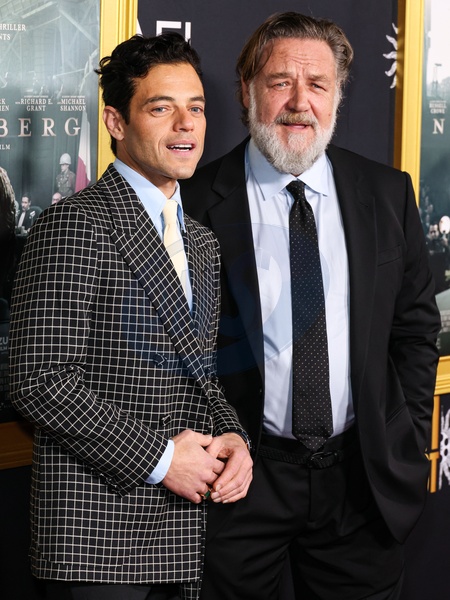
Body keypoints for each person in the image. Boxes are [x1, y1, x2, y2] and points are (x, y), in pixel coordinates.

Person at [181, 12, 441, 600]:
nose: (300, 102)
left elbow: (414, 329)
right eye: (280, 82)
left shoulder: (387, 192)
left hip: (360, 483)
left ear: (338, 95)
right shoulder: (192, 202)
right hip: (239, 485)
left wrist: (403, 438)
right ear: (247, 90)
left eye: (318, 84)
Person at [9, 32, 252, 600]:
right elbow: (38, 380)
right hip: (97, 540)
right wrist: (162, 460)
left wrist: (235, 438)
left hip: (179, 535)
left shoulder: (201, 242)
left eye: (197, 108)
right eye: (161, 108)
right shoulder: (75, 224)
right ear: (116, 122)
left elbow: (201, 375)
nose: (186, 125)